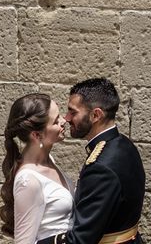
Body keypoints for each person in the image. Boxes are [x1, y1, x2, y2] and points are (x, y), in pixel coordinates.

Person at [38, 78, 145, 244]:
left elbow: (81, 240)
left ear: (96, 115)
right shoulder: (123, 143)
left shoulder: (101, 167)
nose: (66, 118)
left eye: (73, 112)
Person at [0, 93, 74, 244]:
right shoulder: (29, 181)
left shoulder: (49, 160)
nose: (64, 121)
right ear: (36, 135)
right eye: (55, 121)